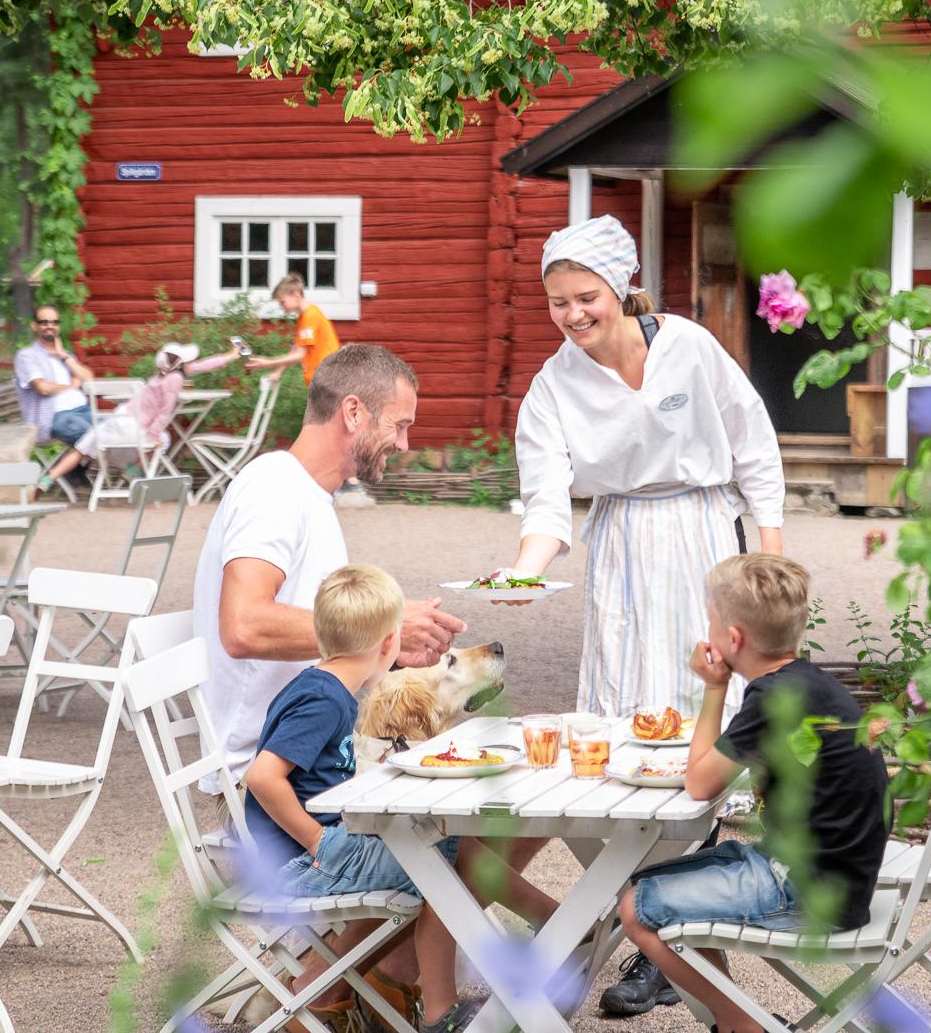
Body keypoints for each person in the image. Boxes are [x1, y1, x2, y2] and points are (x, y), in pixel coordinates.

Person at [508, 215, 786, 1018]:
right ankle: (654, 933)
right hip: (622, 549)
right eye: (557, 301)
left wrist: (769, 569)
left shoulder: (690, 348)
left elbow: (755, 451)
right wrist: (524, 574)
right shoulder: (553, 386)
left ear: (623, 287)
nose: (571, 314)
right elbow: (547, 505)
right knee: (626, 733)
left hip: (702, 537)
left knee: (709, 727)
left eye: (584, 296)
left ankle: (681, 934)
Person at [245, 564, 555, 1033]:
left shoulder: (328, 686)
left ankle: (539, 931)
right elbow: (263, 776)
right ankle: (545, 930)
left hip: (327, 845)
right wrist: (316, 843)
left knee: (442, 844)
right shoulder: (324, 699)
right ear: (391, 645)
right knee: (444, 852)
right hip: (307, 860)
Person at [614, 555, 889, 1033]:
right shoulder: (808, 682)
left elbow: (699, 782)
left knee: (636, 906)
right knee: (642, 883)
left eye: (712, 622)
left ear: (733, 639)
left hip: (809, 890)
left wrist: (713, 686)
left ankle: (746, 1027)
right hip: (832, 873)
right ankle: (738, 1021)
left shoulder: (774, 698)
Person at [191, 343, 467, 777]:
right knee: (496, 806)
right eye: (399, 425)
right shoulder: (274, 489)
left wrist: (389, 650)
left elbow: (325, 646)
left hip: (310, 750)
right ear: (353, 412)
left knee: (501, 786)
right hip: (268, 776)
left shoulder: (310, 495)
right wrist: (385, 627)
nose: (403, 443)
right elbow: (243, 626)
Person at [37, 340, 246, 492]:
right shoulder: (175, 380)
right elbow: (165, 412)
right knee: (163, 440)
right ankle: (132, 472)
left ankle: (47, 479)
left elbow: (200, 366)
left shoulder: (162, 374)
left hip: (119, 418)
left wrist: (230, 355)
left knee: (83, 446)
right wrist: (154, 434)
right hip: (136, 428)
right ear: (180, 364)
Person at [13, 306, 96, 449]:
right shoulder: (27, 355)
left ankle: (87, 469)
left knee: (118, 429)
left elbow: (89, 379)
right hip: (55, 417)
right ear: (34, 326)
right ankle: (92, 468)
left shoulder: (65, 355)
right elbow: (43, 388)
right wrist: (72, 385)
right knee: (98, 437)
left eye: (54, 322)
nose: (50, 326)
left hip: (84, 411)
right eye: (44, 322)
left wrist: (63, 356)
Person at [247, 273, 341, 385]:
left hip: (328, 380)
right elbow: (296, 347)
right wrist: (278, 371)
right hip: (323, 379)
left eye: (282, 302)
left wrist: (268, 362)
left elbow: (299, 355)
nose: (281, 306)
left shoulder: (310, 316)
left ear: (296, 296)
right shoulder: (304, 315)